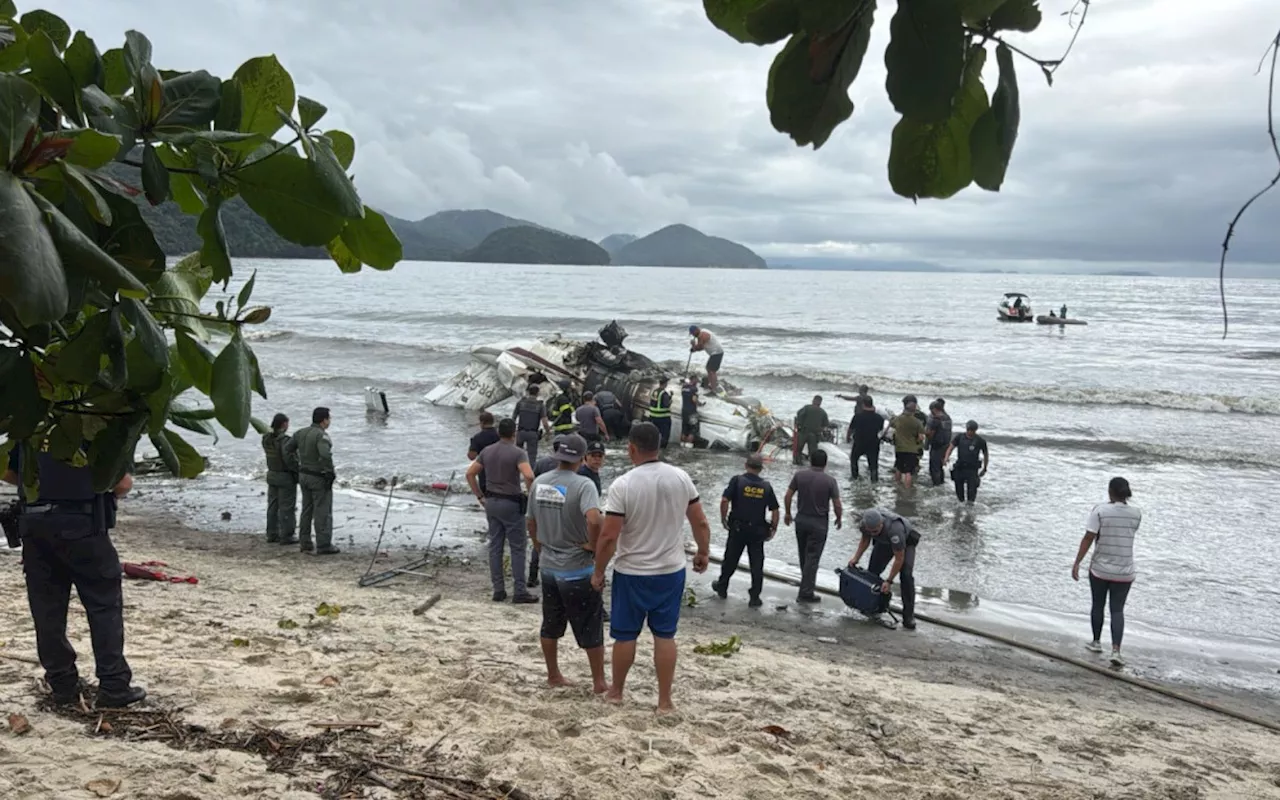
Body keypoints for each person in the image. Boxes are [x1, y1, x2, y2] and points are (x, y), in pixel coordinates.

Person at [3, 446, 147, 708]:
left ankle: (62, 684)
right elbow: (122, 484)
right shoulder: (96, 424)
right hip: (82, 523)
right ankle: (113, 685)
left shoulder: (30, 421)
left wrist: (41, 483)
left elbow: (7, 470)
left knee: (47, 610)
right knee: (103, 605)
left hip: (34, 524)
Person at [592, 422, 711, 711]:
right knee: (665, 635)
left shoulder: (624, 484)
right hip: (670, 571)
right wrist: (703, 553)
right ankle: (665, 700)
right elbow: (700, 521)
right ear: (659, 446)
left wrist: (598, 571)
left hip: (632, 571)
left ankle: (617, 691)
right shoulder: (681, 478)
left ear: (631, 448)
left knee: (625, 635)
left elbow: (609, 536)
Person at [526, 433, 608, 693]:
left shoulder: (540, 482)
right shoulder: (584, 485)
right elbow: (595, 520)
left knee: (550, 624)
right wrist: (593, 546)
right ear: (582, 458)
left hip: (549, 565)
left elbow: (530, 521)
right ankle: (599, 682)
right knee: (590, 627)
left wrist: (540, 547)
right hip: (577, 568)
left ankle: (553, 675)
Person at [1072, 477, 1141, 666]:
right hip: (1125, 569)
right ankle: (1116, 650)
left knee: (1098, 604)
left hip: (1101, 568)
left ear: (1110, 491)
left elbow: (1088, 537)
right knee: (1117, 610)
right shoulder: (1136, 513)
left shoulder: (1100, 510)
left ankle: (1096, 642)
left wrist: (1077, 562)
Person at [467, 418, 537, 602]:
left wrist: (480, 496)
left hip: (491, 501)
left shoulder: (487, 451)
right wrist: (531, 496)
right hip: (511, 503)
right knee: (517, 548)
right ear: (514, 433)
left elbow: (470, 473)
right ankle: (519, 591)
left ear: (499, 433)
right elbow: (529, 475)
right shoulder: (518, 453)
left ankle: (498, 589)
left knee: (495, 546)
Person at [712, 453, 779, 608]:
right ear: (761, 469)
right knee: (756, 563)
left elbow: (724, 500)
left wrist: (723, 518)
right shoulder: (766, 486)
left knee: (730, 559)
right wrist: (773, 528)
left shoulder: (737, 481)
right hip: (757, 531)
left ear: (746, 465)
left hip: (738, 528)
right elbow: (775, 510)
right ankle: (755, 597)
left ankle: (722, 587)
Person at [784, 449, 842, 603]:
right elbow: (837, 503)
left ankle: (806, 586)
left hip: (801, 520)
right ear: (825, 463)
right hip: (819, 524)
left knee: (804, 555)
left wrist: (788, 513)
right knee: (813, 558)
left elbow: (788, 495)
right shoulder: (830, 481)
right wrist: (839, 518)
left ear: (810, 461)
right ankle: (806, 592)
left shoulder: (799, 475)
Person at [847, 508, 921, 630]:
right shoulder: (865, 525)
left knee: (906, 575)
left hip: (905, 542)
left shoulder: (895, 530)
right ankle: (871, 607)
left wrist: (889, 581)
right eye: (870, 532)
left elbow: (899, 558)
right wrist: (856, 558)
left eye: (875, 531)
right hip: (884, 542)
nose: (873, 534)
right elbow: (865, 540)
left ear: (881, 524)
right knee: (872, 572)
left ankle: (908, 616)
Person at [287, 407, 339, 555]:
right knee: (322, 510)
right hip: (318, 476)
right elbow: (325, 455)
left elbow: (288, 448)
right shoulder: (321, 436)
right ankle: (323, 544)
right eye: (329, 419)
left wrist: (297, 464)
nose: (329, 421)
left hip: (303, 475)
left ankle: (305, 542)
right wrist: (329, 472)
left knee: (306, 509)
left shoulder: (300, 433)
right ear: (324, 420)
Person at [262, 413, 299, 545]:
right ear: (284, 424)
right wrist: (297, 470)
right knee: (287, 507)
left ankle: (272, 533)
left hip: (272, 474)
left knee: (272, 506)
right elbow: (289, 459)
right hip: (285, 476)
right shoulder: (285, 441)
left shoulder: (266, 438)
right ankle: (287, 535)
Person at [943, 420, 989, 504]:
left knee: (972, 491)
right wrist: (946, 457)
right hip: (960, 467)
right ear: (967, 429)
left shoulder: (980, 440)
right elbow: (951, 447)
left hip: (972, 469)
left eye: (973, 430)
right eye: (969, 430)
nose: (971, 432)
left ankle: (970, 507)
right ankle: (960, 504)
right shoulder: (960, 437)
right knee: (958, 489)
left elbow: (985, 454)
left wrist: (985, 468)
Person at [889, 398, 926, 489]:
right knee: (908, 472)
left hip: (899, 448)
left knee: (898, 468)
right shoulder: (917, 422)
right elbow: (921, 437)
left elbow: (892, 424)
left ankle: (897, 486)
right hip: (912, 449)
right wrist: (917, 442)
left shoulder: (898, 419)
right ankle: (907, 489)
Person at [847, 397, 886, 481]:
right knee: (873, 465)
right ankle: (874, 482)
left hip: (859, 442)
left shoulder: (857, 416)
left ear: (863, 404)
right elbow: (880, 430)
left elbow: (850, 429)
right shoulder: (879, 418)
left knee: (854, 459)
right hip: (873, 443)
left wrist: (848, 438)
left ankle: (855, 478)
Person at [513, 385, 552, 462]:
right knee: (532, 457)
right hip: (533, 434)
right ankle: (530, 473)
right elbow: (544, 422)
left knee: (517, 456)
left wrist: (513, 432)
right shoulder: (540, 405)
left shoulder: (521, 403)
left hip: (520, 433)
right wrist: (548, 433)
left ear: (528, 392)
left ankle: (516, 471)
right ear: (538, 393)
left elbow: (513, 418)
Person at [793, 395, 829, 466]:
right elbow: (825, 425)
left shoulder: (807, 408)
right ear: (820, 402)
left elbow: (799, 414)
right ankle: (813, 466)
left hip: (803, 432)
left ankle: (798, 464)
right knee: (813, 453)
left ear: (813, 400)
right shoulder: (823, 412)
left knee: (798, 450)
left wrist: (799, 424)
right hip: (814, 435)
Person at [688, 325, 724, 393]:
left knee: (712, 370)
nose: (693, 335)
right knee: (708, 368)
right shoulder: (700, 335)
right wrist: (694, 348)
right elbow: (701, 347)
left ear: (696, 331)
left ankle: (714, 388)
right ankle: (712, 384)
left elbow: (699, 347)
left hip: (717, 352)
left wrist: (693, 345)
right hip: (714, 353)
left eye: (693, 333)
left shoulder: (702, 335)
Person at [925, 400, 953, 487]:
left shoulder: (936, 420)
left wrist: (926, 436)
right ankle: (941, 483)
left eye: (931, 410)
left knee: (934, 467)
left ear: (935, 409)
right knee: (940, 467)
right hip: (945, 445)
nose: (931, 413)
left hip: (936, 446)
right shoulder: (948, 418)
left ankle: (936, 485)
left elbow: (930, 434)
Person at [647, 377, 674, 448]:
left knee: (654, 434)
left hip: (653, 417)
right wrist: (670, 401)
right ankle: (662, 449)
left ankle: (653, 447)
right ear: (665, 384)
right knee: (664, 435)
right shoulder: (664, 393)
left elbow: (656, 402)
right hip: (663, 418)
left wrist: (670, 396)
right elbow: (666, 405)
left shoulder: (654, 391)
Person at [680, 377, 701, 445]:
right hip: (692, 412)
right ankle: (688, 445)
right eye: (697, 381)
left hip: (684, 411)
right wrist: (699, 404)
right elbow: (694, 399)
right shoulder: (694, 389)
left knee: (684, 429)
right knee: (693, 429)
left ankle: (682, 444)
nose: (697, 382)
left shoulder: (683, 388)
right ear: (694, 380)